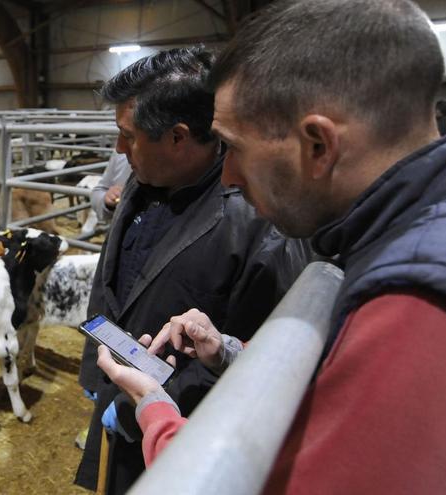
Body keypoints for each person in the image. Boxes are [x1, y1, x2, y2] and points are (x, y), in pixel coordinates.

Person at [98, 0, 446, 493]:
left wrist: (155, 411)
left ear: (318, 146)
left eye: (236, 148)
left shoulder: (415, 305)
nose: (227, 175)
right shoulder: (407, 237)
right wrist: (226, 350)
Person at [74, 47, 311, 493]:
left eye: (128, 136)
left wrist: (144, 408)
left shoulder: (257, 224)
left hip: (186, 435)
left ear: (179, 138)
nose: (119, 150)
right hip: (124, 400)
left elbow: (258, 358)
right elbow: (111, 283)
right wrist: (95, 372)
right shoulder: (143, 180)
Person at [89, 150, 132, 222]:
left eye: (129, 138)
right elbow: (99, 190)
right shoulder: (121, 154)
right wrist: (107, 200)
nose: (119, 146)